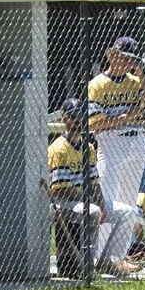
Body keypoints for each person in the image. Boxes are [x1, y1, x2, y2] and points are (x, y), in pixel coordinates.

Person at [85, 36, 145, 278]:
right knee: (108, 200)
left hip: (137, 141)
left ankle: (118, 257)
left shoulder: (136, 82)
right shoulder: (97, 84)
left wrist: (143, 77)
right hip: (111, 142)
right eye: (125, 57)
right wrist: (124, 118)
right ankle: (98, 256)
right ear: (112, 54)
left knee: (129, 201)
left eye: (132, 60)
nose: (128, 63)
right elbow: (95, 123)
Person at [47, 97, 104, 276]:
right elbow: (61, 189)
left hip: (80, 201)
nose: (77, 120)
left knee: (127, 212)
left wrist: (102, 203)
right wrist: (89, 202)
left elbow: (94, 182)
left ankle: (107, 260)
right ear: (64, 119)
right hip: (60, 202)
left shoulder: (88, 147)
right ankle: (87, 263)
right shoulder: (59, 148)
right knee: (93, 211)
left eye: (80, 116)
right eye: (72, 116)